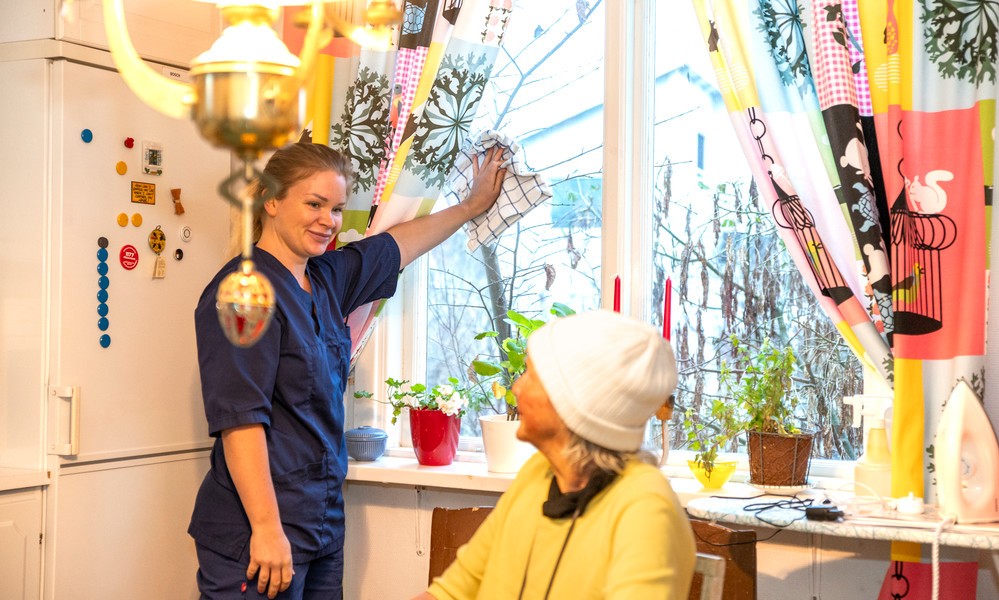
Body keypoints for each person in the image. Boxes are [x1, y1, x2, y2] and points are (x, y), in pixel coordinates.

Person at [189, 141, 507, 599]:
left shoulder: (324, 279)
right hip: (258, 530)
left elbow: (397, 246)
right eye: (314, 204)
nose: (329, 220)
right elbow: (240, 422)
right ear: (271, 201)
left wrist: (470, 207)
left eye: (337, 209)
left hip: (319, 524)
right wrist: (267, 528)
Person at [419, 309, 696, 599]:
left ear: (574, 403)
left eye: (531, 376)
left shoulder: (646, 509)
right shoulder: (538, 472)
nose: (517, 387)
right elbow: (454, 590)